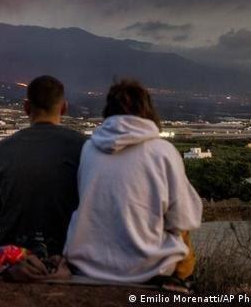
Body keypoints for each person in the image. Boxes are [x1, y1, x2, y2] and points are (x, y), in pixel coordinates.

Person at [64, 79, 202, 284]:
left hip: (87, 265)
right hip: (148, 269)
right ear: (147, 109)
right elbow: (185, 219)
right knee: (182, 235)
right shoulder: (162, 151)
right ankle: (182, 284)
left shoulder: (89, 149)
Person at [0, 75, 87, 256]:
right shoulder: (83, 147)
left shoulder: (2, 150)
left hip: (13, 254)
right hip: (67, 253)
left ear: (26, 107)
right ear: (64, 107)